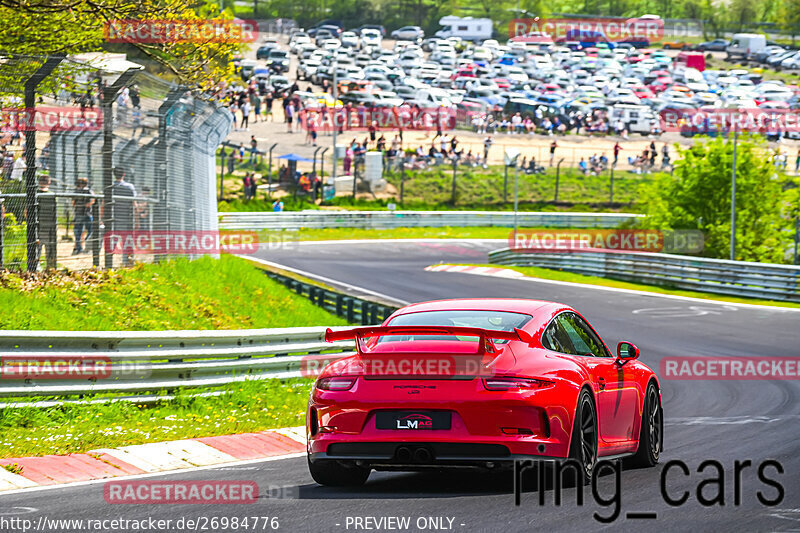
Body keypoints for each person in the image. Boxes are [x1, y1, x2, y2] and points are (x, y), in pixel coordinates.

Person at [110, 167, 136, 266]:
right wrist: (137, 218)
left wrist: (101, 217)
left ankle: (109, 261)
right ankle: (127, 261)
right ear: (124, 174)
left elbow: (104, 203)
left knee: (113, 239)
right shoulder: (129, 187)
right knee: (127, 240)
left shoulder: (110, 187)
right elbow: (134, 203)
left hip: (113, 217)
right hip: (127, 218)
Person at [36, 175, 58, 268]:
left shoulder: (34, 194)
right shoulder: (52, 194)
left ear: (39, 182)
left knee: (37, 249)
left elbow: (27, 211)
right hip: (50, 227)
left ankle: (36, 267)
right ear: (49, 182)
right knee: (50, 249)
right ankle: (51, 267)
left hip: (37, 225)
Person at [72, 177, 95, 255]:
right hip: (87, 213)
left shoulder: (76, 191)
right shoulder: (89, 191)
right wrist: (86, 205)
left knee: (78, 232)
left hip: (79, 213)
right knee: (90, 231)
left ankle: (79, 248)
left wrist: (78, 206)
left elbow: (73, 203)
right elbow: (93, 200)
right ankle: (86, 246)